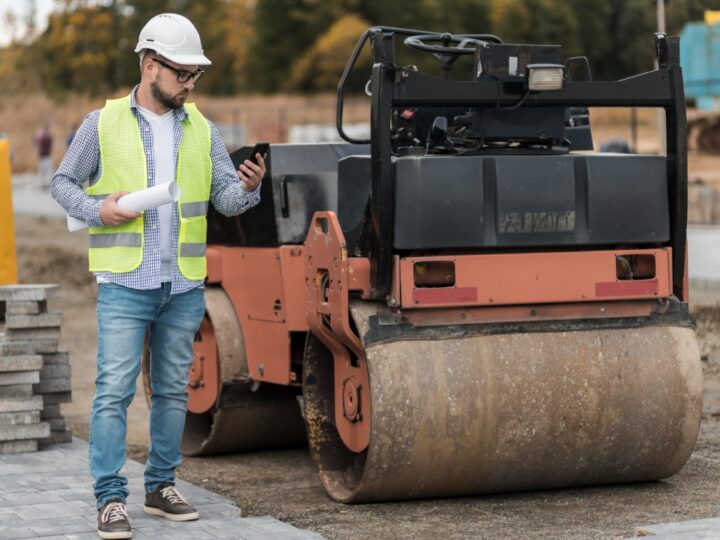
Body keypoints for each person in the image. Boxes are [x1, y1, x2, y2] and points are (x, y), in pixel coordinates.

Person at [50, 13, 266, 540]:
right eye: (183, 74)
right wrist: (101, 210)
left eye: (196, 76)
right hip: (125, 282)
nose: (191, 84)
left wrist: (250, 186)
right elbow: (62, 183)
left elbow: (225, 201)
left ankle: (160, 485)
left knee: (172, 391)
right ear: (151, 66)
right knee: (113, 392)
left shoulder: (204, 131)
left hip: (183, 285)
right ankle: (109, 498)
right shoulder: (101, 124)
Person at [33, 124, 53, 188]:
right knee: (42, 171)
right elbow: (35, 141)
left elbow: (50, 141)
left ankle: (49, 183)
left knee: (49, 170)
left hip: (47, 156)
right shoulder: (41, 136)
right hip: (42, 156)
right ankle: (41, 184)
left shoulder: (45, 136)